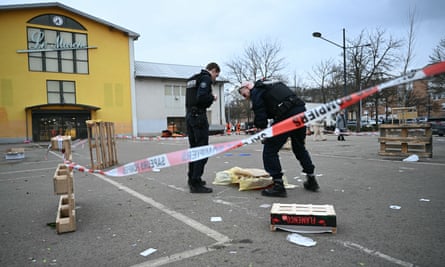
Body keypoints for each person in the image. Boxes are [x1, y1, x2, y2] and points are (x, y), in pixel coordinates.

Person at [238, 80, 319, 197]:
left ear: (247, 87)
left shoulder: (256, 91)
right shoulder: (269, 85)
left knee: (269, 149)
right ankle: (311, 179)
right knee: (299, 147)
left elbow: (260, 112)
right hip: (300, 111)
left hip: (286, 115)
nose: (245, 97)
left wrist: (262, 130)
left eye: (243, 94)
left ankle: (278, 185)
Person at [185, 62, 220, 193]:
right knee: (202, 150)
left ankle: (192, 178)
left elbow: (192, 98)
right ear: (213, 70)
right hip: (199, 116)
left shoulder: (192, 79)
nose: (215, 78)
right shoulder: (205, 78)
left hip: (189, 116)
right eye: (216, 75)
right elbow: (202, 97)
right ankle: (196, 182)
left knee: (193, 149)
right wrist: (212, 97)